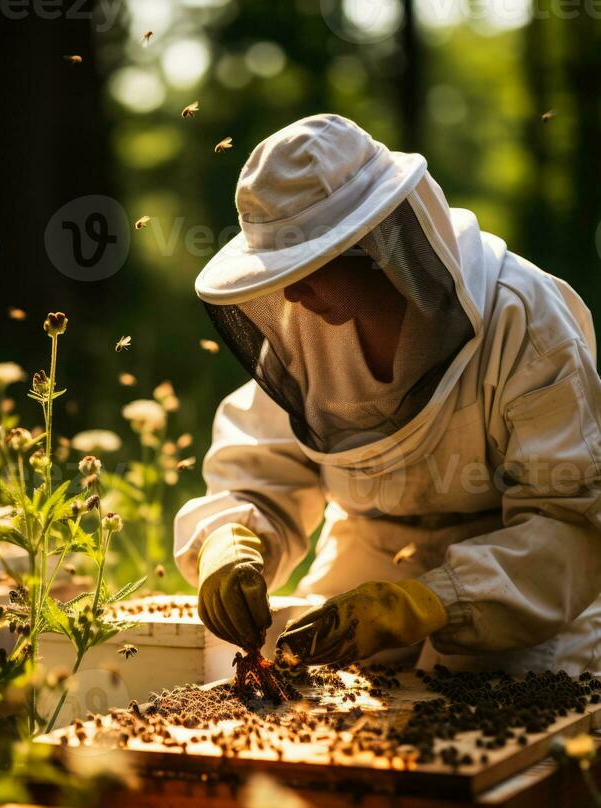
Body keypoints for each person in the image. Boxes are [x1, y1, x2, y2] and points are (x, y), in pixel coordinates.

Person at [174, 113, 601, 675]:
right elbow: (265, 470)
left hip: (519, 601)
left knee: (514, 751)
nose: (292, 293)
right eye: (279, 272)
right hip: (364, 574)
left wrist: (427, 602)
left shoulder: (527, 322)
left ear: (378, 242)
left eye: (310, 264)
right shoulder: (301, 330)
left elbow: (569, 523)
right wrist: (230, 540)